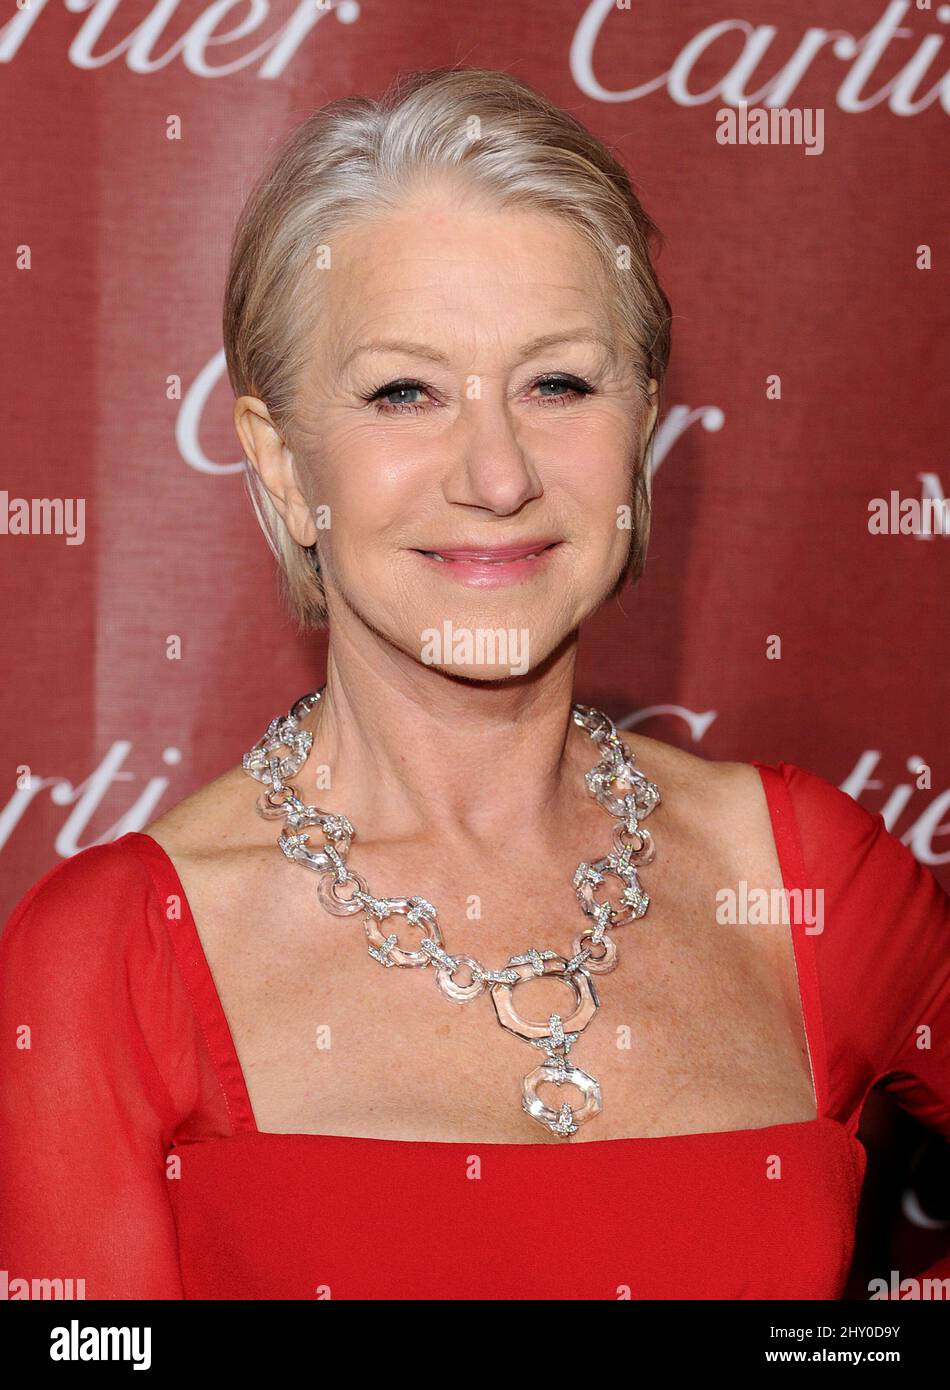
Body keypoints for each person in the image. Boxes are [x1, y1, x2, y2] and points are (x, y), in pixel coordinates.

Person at [1, 66, 948, 1302]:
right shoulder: (110, 959)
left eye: (558, 383)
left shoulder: (801, 876)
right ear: (284, 463)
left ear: (640, 426)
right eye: (406, 391)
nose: (496, 473)